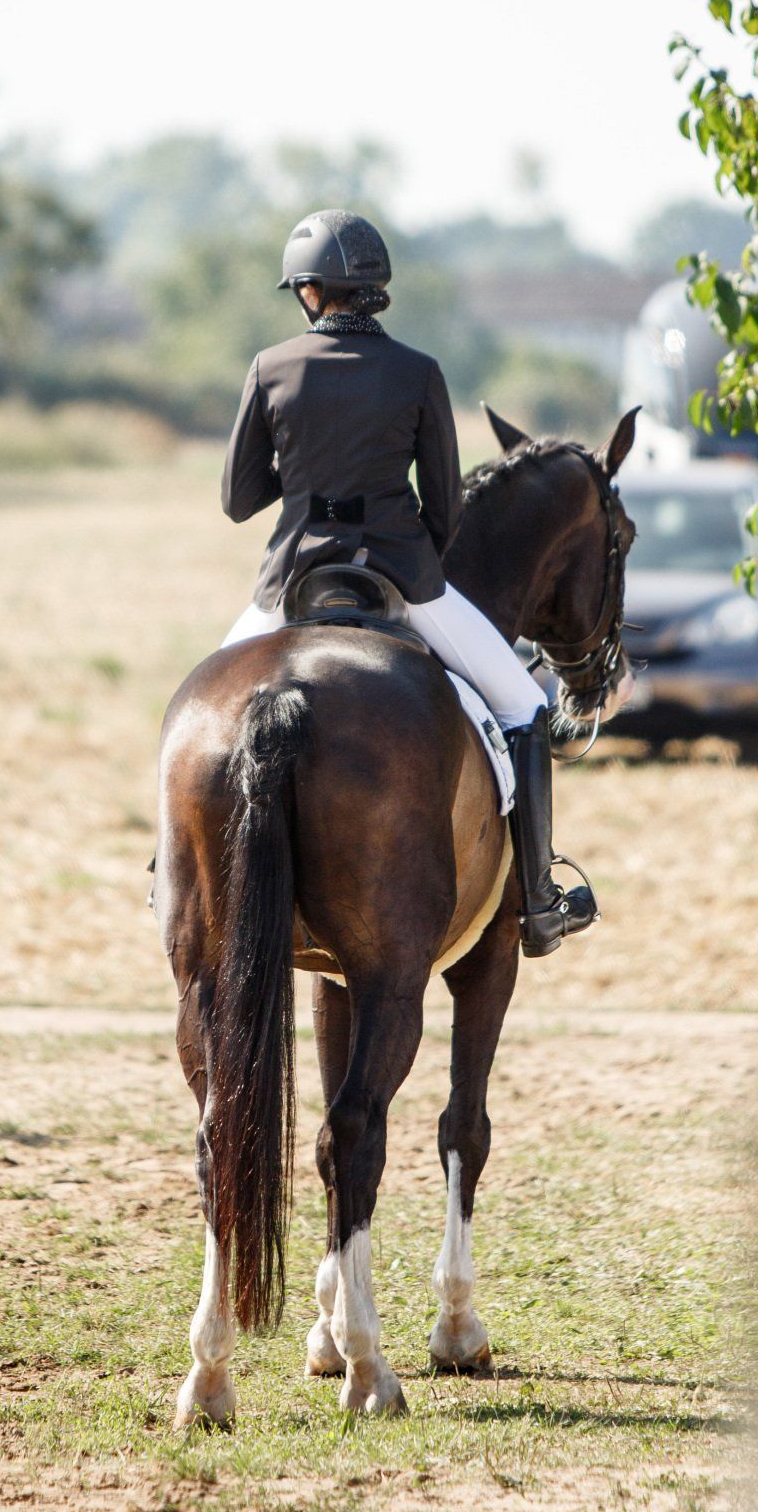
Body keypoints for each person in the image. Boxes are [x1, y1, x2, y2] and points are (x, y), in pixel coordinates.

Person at [218, 207, 595, 955]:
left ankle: (174, 874)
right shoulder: (419, 371)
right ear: (373, 289)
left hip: (290, 582)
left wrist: (306, 471)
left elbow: (236, 498)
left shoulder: (270, 367)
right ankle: (539, 901)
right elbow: (447, 507)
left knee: (204, 706)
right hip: (402, 577)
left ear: (309, 292)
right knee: (523, 705)